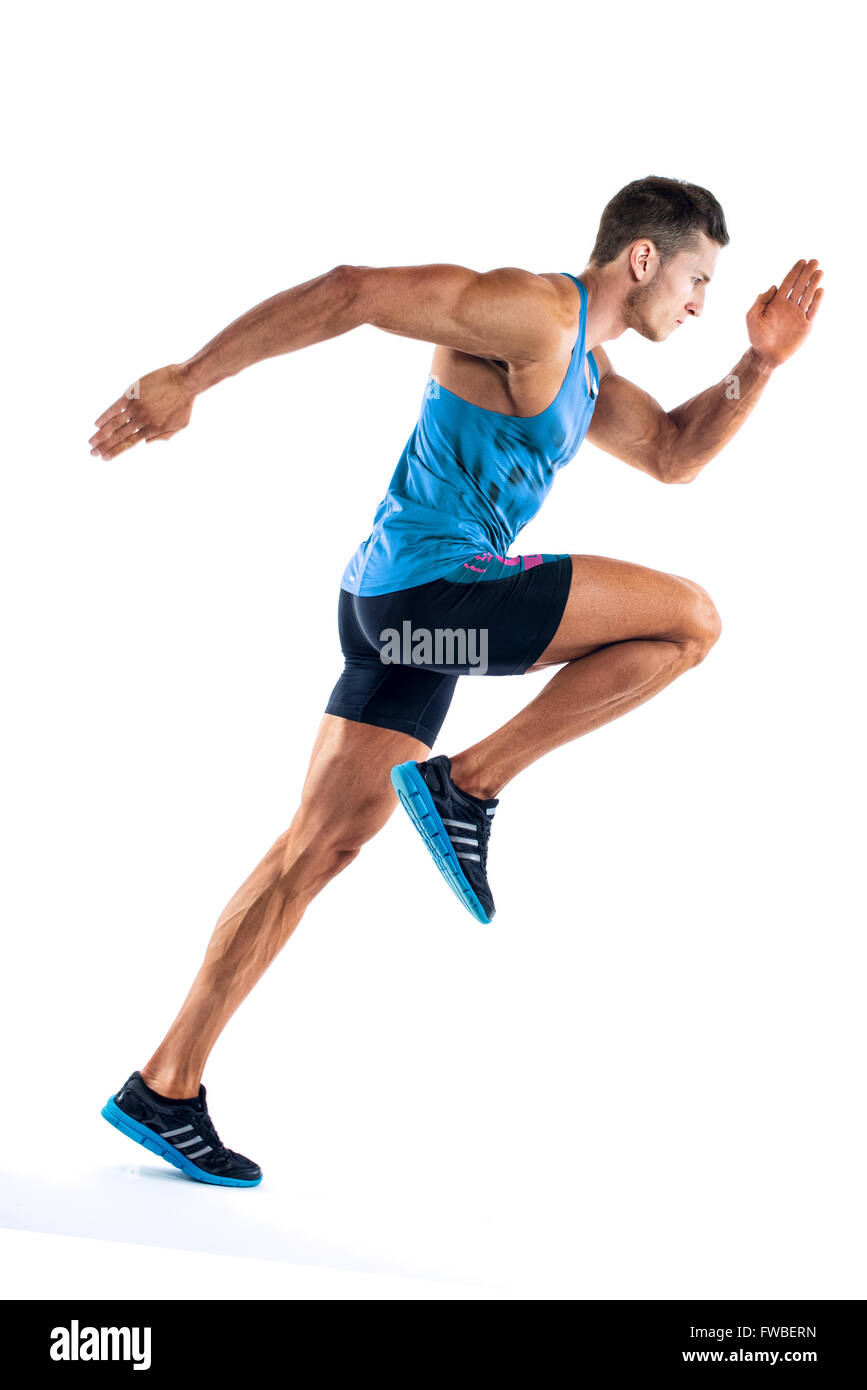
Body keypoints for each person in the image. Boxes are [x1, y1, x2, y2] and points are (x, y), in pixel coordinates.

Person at [89, 176, 823, 1187]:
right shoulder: (532, 311)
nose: (702, 302)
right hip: (425, 597)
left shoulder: (591, 377)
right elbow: (351, 290)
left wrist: (761, 361)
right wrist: (190, 376)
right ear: (643, 258)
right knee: (690, 619)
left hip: (401, 616)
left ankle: (165, 1083)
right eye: (698, 278)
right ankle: (468, 783)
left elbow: (672, 455)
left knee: (316, 849)